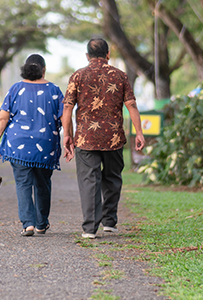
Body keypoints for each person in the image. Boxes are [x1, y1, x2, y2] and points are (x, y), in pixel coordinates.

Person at [62, 38, 145, 239]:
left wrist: (67, 135)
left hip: (85, 138)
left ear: (87, 56)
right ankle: (109, 222)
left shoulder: (77, 76)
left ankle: (90, 228)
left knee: (89, 179)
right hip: (114, 137)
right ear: (108, 54)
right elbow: (131, 105)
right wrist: (139, 132)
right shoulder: (120, 76)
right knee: (112, 178)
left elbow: (67, 108)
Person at [0, 54, 64, 237]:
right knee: (43, 184)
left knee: (23, 183)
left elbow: (2, 117)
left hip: (18, 145)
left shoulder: (15, 89)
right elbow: (65, 117)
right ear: (43, 69)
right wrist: (69, 137)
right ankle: (41, 224)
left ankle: (28, 224)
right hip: (46, 146)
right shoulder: (54, 90)